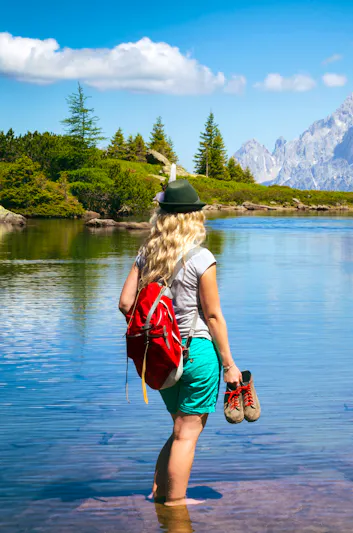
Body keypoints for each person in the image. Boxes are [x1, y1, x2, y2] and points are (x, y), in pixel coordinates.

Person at [118, 179, 242, 506]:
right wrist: (230, 365)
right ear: (193, 217)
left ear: (163, 216)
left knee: (179, 428)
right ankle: (174, 507)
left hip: (161, 355)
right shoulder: (202, 258)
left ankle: (159, 493)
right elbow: (213, 317)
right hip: (197, 354)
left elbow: (126, 304)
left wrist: (156, 335)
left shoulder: (146, 255)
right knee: (187, 434)